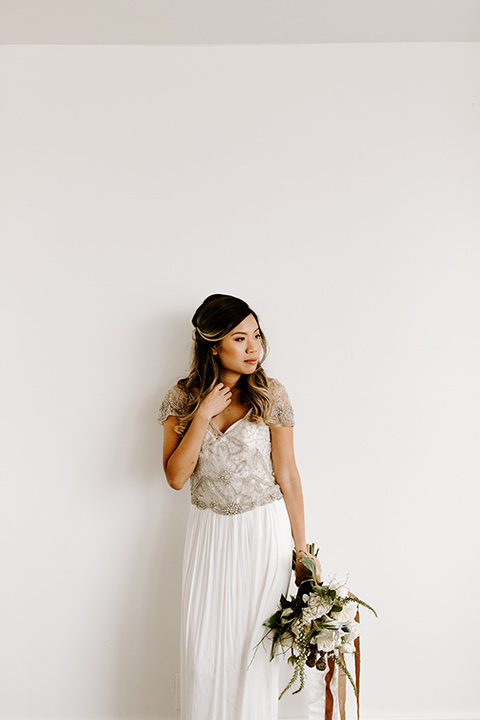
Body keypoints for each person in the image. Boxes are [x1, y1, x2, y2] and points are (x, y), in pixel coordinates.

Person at [158, 294, 321, 720]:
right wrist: (202, 415)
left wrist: (302, 552)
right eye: (240, 338)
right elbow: (176, 477)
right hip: (209, 535)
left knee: (254, 654)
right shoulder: (182, 397)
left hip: (262, 533)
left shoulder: (271, 394)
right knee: (204, 654)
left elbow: (288, 475)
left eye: (257, 337)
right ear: (213, 345)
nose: (254, 349)